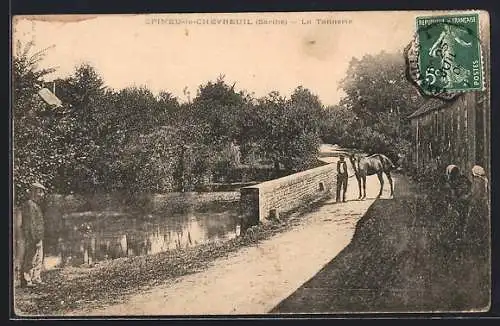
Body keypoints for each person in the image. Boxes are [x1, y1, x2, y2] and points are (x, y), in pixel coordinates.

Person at [21, 181, 46, 288]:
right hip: (33, 236)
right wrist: (33, 237)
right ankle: (27, 280)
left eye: (42, 192)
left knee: (38, 258)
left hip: (38, 236)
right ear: (34, 192)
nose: (42, 195)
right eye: (40, 192)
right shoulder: (29, 204)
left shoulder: (35, 205)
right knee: (30, 258)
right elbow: (30, 223)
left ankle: (36, 278)